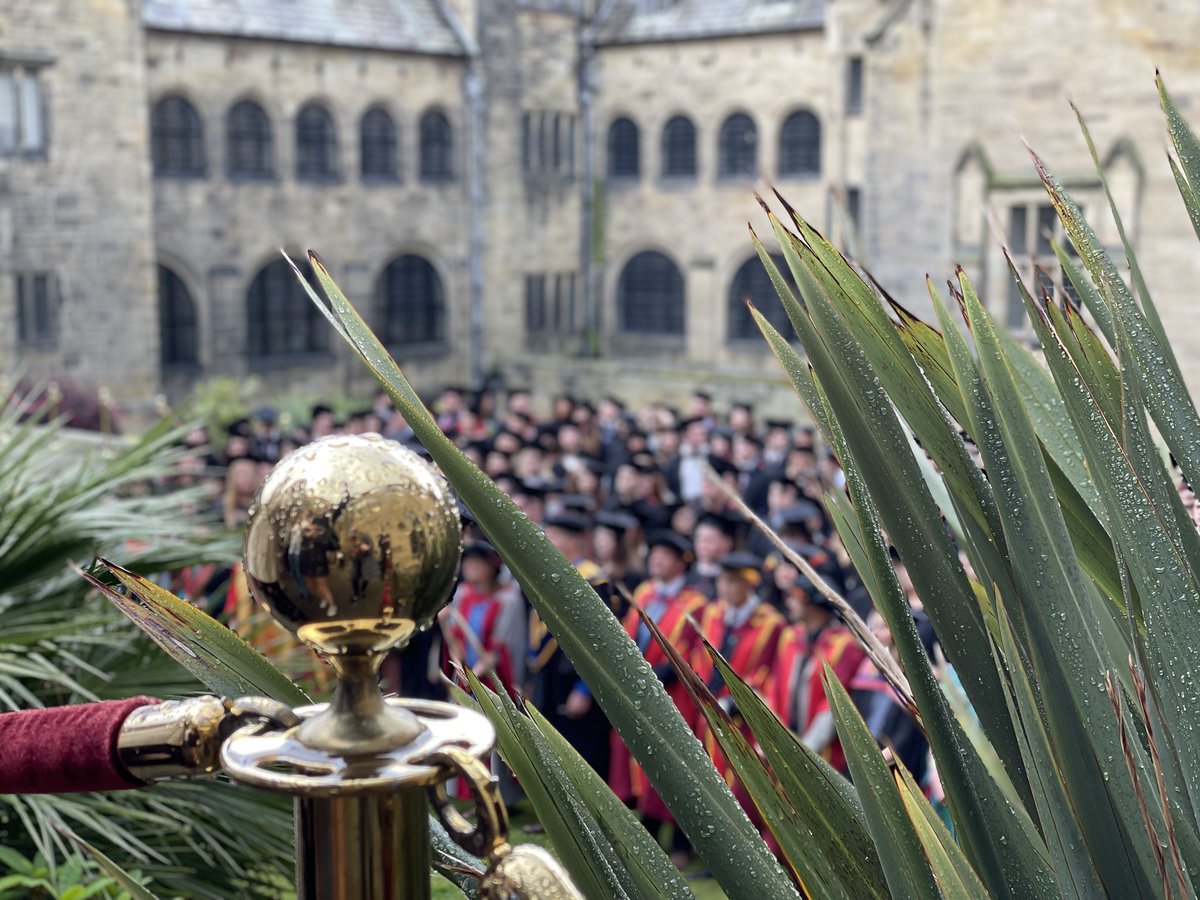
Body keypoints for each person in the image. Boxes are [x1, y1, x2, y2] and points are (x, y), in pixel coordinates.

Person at [614, 530, 708, 867]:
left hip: (675, 696)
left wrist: (662, 672)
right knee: (645, 763)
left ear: (681, 562)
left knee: (678, 764)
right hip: (640, 689)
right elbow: (628, 631)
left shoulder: (695, 602)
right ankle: (650, 834)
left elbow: (693, 651)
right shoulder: (645, 591)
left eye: (664, 555)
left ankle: (681, 844)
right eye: (654, 553)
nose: (656, 559)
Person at [694, 552, 787, 800]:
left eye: (733, 581)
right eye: (722, 580)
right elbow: (700, 656)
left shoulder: (770, 623)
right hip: (707, 706)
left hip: (741, 718)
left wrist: (733, 701)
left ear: (749, 583)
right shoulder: (713, 612)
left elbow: (767, 672)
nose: (725, 587)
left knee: (738, 787)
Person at [773, 577, 865, 775]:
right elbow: (777, 688)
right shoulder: (790, 636)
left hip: (823, 754)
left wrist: (807, 751)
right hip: (786, 738)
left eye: (795, 598)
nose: (789, 603)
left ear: (813, 601)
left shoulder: (844, 645)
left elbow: (834, 705)